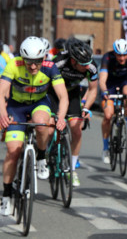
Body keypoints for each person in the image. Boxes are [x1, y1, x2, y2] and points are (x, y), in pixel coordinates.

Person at [0, 36, 68, 215]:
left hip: (39, 103)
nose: (32, 67)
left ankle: (41, 157)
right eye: (28, 62)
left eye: (36, 62)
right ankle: (6, 195)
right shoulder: (13, 64)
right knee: (13, 151)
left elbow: (63, 96)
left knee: (42, 124)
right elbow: (1, 92)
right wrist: (3, 114)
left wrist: (60, 117)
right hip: (16, 107)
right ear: (23, 59)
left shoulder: (50, 67)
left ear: (43, 58)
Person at [48, 37, 98, 187]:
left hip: (73, 93)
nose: (87, 67)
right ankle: (48, 151)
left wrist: (86, 108)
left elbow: (93, 89)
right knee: (50, 128)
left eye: (88, 63)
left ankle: (71, 167)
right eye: (83, 64)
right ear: (73, 61)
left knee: (77, 129)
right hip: (53, 93)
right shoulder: (58, 62)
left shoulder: (91, 66)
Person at [100, 39, 127, 163]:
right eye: (119, 55)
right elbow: (102, 79)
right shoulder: (107, 58)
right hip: (110, 84)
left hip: (125, 81)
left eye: (124, 55)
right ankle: (106, 148)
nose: (122, 58)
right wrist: (105, 91)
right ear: (114, 53)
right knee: (107, 116)